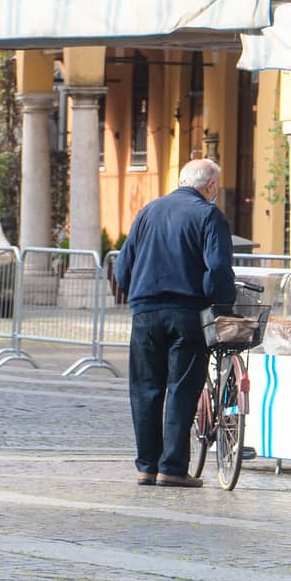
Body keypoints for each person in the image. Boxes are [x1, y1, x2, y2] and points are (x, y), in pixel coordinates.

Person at [111, 158, 237, 488]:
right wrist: (222, 305)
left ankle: (146, 467)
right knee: (181, 389)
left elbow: (123, 264)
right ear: (210, 186)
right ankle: (172, 468)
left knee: (145, 389)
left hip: (145, 312)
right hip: (187, 312)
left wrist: (135, 296)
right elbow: (219, 268)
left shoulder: (148, 211)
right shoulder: (209, 215)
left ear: (182, 181)